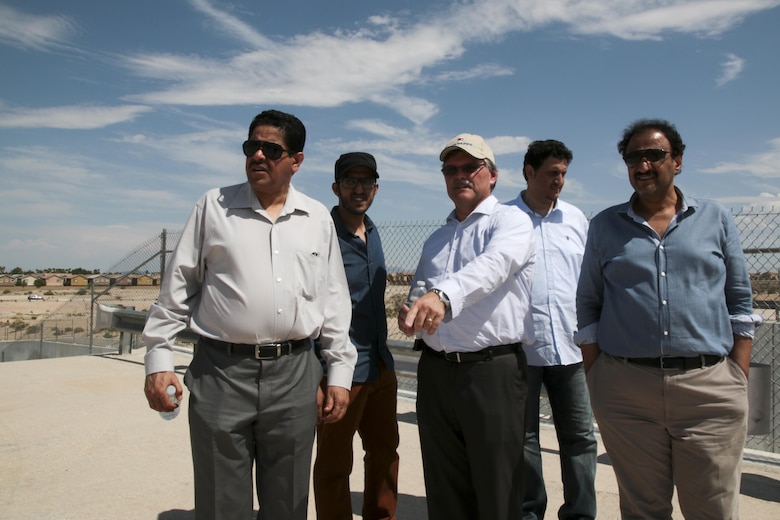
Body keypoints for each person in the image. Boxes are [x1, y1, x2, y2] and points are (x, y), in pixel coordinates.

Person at [142, 109, 357, 520]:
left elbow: (333, 303)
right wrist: (158, 360)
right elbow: (177, 288)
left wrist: (339, 375)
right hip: (221, 374)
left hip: (295, 377)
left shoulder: (316, 220)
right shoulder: (213, 207)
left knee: (288, 503)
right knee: (222, 504)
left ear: (296, 160)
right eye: (251, 147)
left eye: (271, 149)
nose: (258, 155)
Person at [575, 118, 761, 519]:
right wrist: (598, 376)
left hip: (708, 390)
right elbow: (589, 303)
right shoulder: (605, 226)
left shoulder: (715, 218)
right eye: (633, 158)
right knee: (643, 510)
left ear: (677, 161)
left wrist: (736, 374)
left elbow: (740, 300)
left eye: (654, 155)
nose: (643, 166)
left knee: (711, 509)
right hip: (626, 392)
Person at [399, 133, 536, 520]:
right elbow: (421, 292)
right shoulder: (436, 239)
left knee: (497, 489)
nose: (459, 175)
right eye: (450, 169)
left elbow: (493, 266)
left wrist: (441, 298)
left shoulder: (511, 222)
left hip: (490, 372)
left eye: (469, 167)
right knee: (444, 489)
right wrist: (412, 314)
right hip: (437, 372)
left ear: (492, 175)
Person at [506, 140, 597, 520]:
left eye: (563, 174)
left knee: (580, 438)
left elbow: (592, 281)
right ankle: (530, 512)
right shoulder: (503, 218)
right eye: (551, 173)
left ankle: (580, 514)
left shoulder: (577, 220)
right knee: (523, 438)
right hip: (522, 349)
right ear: (528, 172)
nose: (558, 181)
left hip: (572, 347)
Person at [313, 152, 400, 519]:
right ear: (336, 188)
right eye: (351, 181)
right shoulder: (322, 235)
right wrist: (320, 373)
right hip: (341, 372)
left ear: (376, 188)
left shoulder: (375, 232)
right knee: (334, 464)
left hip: (380, 365)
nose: (359, 188)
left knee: (384, 455)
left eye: (367, 181)